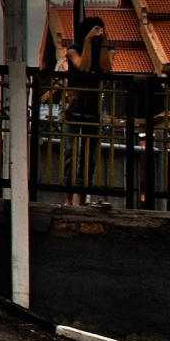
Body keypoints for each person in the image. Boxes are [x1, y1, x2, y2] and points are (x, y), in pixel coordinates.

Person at [61, 15, 112, 205]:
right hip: (74, 106)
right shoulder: (73, 50)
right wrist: (89, 42)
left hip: (93, 107)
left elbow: (106, 68)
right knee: (70, 153)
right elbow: (84, 66)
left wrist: (104, 43)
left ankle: (81, 200)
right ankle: (67, 199)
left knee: (88, 157)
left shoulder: (107, 50)